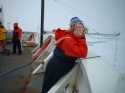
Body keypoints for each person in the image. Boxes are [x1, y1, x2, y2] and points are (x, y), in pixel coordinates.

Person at [41, 17, 88, 93]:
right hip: (57, 67)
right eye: (78, 27)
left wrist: (80, 37)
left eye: (81, 27)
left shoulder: (69, 36)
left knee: (48, 86)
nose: (80, 29)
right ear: (72, 28)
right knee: (49, 88)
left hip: (56, 65)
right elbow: (83, 53)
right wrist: (81, 38)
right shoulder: (68, 39)